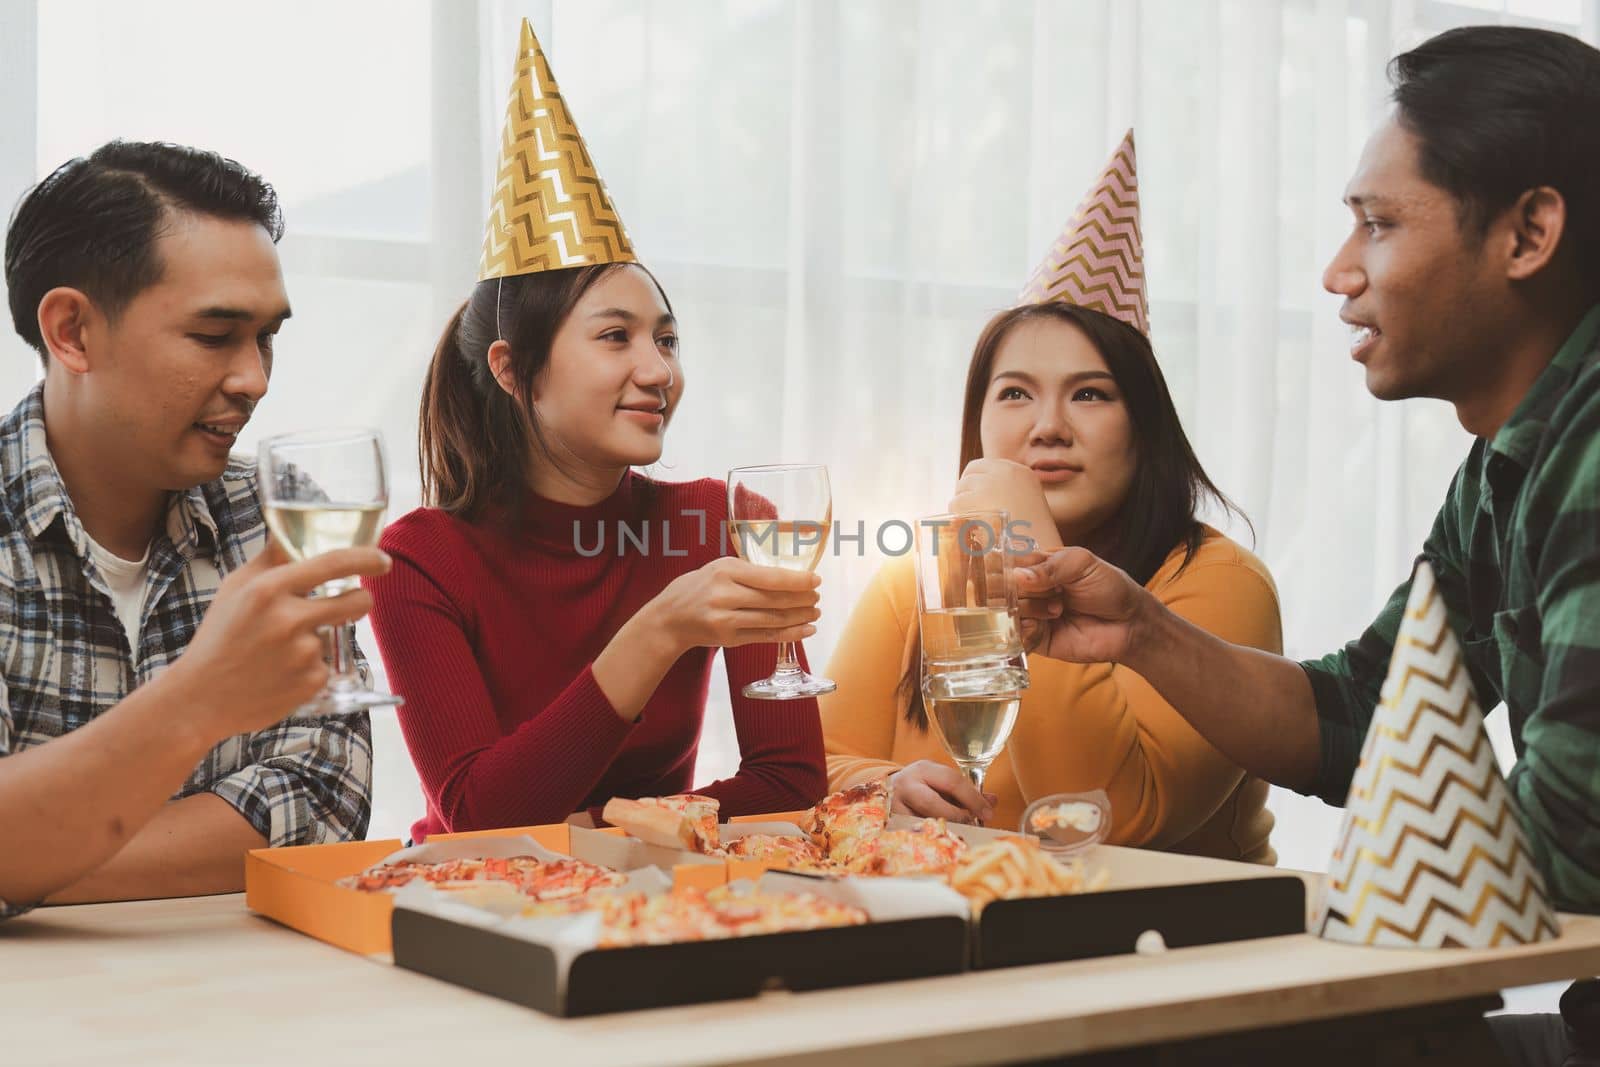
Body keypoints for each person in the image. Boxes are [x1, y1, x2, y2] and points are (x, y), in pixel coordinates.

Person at [1013, 28, 1600, 1065]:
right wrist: (1144, 630)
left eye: (1376, 224)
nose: (1338, 273)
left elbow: (1566, 843)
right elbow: (1366, 717)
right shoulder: (1505, 467)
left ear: (1528, 233)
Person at [365, 20, 826, 843]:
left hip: (652, 902)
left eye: (667, 339)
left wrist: (621, 822)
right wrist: (658, 631)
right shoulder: (419, 560)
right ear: (513, 370)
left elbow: (791, 782)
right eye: (616, 338)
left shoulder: (727, 520)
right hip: (476, 906)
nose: (658, 371)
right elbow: (480, 815)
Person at [821, 133, 1280, 862]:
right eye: (1015, 395)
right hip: (962, 930)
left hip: (1164, 946)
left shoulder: (1219, 584)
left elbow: (1104, 823)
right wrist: (887, 786)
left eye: (1090, 395)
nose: (1047, 428)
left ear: (1145, 427)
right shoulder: (917, 579)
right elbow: (819, 765)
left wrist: (1029, 545)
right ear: (977, 422)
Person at [0, 141, 387, 918]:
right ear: (71, 331)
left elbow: (323, 800)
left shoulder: (271, 509)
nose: (255, 379)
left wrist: (34, 854)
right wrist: (201, 697)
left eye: (267, 336)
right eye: (216, 336)